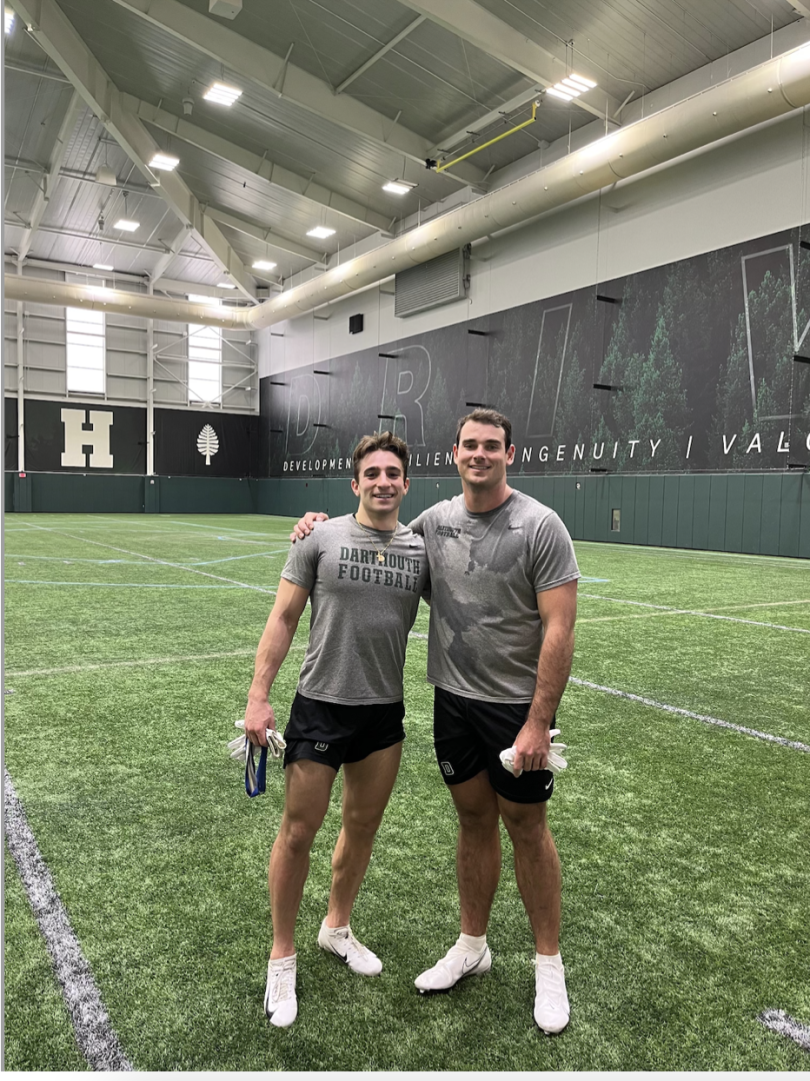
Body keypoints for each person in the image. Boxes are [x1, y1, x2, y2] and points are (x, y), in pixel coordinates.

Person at [293, 409, 580, 1035]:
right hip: (452, 701)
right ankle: (471, 945)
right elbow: (376, 531)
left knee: (527, 828)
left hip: (515, 710)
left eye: (491, 446)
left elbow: (560, 627)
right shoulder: (435, 523)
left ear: (510, 452)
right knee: (474, 821)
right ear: (454, 454)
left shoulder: (541, 525)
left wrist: (539, 721)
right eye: (469, 445)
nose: (480, 454)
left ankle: (549, 966)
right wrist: (317, 523)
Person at [245, 431, 429, 1028]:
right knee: (298, 832)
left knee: (362, 826)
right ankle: (282, 954)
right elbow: (283, 617)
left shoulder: (420, 549)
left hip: (383, 713)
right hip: (320, 706)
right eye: (371, 473)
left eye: (392, 474)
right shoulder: (319, 537)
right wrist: (258, 696)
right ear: (356, 484)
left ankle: (337, 928)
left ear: (406, 483)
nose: (382, 482)